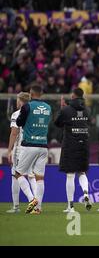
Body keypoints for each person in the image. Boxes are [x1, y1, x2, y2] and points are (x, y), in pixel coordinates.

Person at [54, 88, 93, 213]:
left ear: (73, 96)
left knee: (70, 175)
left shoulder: (66, 110)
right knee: (82, 172)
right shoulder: (88, 110)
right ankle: (86, 193)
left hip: (71, 145)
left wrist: (62, 109)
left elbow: (57, 123)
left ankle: (70, 206)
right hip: (84, 144)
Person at [15, 85, 52, 214]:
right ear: (41, 94)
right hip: (43, 146)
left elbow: (19, 123)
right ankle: (38, 208)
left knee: (18, 173)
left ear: (31, 94)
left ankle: (32, 199)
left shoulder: (27, 106)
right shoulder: (48, 108)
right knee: (39, 178)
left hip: (29, 145)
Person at [6, 92, 36, 213]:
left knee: (15, 176)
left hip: (20, 149)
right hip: (33, 147)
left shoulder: (17, 114)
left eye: (18, 100)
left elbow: (14, 133)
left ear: (21, 101)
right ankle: (37, 204)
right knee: (32, 176)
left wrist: (9, 150)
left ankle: (18, 206)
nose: (16, 102)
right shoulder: (34, 113)